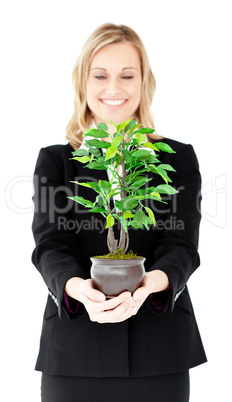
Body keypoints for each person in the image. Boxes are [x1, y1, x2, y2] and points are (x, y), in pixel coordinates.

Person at [32, 23, 207, 402]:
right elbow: (50, 246)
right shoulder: (57, 161)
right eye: (101, 75)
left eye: (127, 75)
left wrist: (152, 284)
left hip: (159, 349)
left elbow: (182, 245)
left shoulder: (176, 158)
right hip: (74, 351)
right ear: (83, 82)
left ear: (144, 82)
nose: (114, 88)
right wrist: (78, 290)